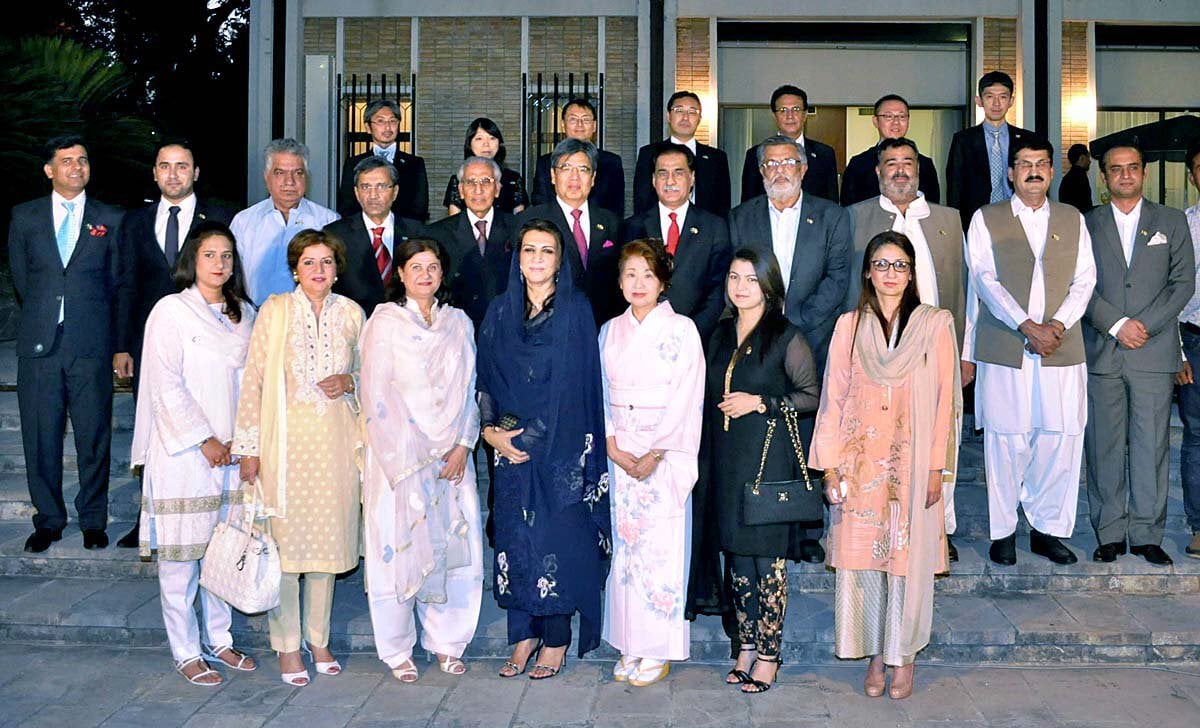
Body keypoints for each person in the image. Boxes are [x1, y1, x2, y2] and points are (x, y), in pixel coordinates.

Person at [813, 231, 961, 700]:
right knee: (864, 562)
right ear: (868, 272)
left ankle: (904, 656)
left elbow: (945, 403)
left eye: (899, 265)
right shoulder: (849, 326)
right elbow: (832, 396)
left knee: (904, 560)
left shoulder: (934, 324)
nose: (890, 273)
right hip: (859, 465)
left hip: (913, 463)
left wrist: (937, 467)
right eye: (881, 264)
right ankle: (876, 652)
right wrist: (830, 466)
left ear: (912, 273)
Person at [476, 219, 611, 681]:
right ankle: (523, 636)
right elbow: (486, 377)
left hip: (559, 447)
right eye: (528, 250)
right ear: (517, 259)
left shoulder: (576, 310)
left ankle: (555, 639)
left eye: (546, 251)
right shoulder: (499, 310)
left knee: (555, 542)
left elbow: (575, 387)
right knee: (515, 543)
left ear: (560, 259)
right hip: (507, 449)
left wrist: (527, 440)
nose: (536, 259)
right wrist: (491, 431)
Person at [232, 229, 364, 687]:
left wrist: (350, 382)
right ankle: (288, 645)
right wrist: (248, 449)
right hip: (283, 447)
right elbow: (254, 379)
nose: (319, 270)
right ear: (295, 269)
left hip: (337, 447)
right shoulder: (275, 310)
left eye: (327, 261)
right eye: (309, 262)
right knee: (286, 552)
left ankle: (319, 638)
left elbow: (371, 375)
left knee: (326, 548)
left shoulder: (351, 313)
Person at [132, 221, 258, 686]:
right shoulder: (170, 311)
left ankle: (220, 640)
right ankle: (185, 649)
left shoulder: (245, 312)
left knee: (223, 552)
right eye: (210, 255)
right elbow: (164, 384)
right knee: (183, 559)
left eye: (227, 255)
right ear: (193, 259)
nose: (219, 263)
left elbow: (256, 384)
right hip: (184, 454)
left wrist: (245, 442)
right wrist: (204, 438)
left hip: (234, 451)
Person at [692, 247, 820, 694]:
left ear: (768, 285)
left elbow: (811, 395)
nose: (740, 286)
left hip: (769, 461)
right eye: (733, 277)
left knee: (768, 564)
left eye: (750, 278)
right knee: (738, 562)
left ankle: (769, 654)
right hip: (726, 459)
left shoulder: (786, 335)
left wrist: (761, 403)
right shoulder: (721, 333)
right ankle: (744, 644)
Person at [964, 137, 1096, 566]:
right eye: (1024, 164)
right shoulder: (986, 219)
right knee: (1007, 438)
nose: (1033, 171)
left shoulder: (1073, 218)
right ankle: (1003, 531)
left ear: (1053, 171)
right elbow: (984, 279)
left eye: (1041, 164)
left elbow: (1086, 280)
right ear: (1010, 172)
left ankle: (1047, 530)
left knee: (1060, 438)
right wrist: (1026, 325)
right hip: (1007, 344)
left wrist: (1056, 326)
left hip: (1062, 345)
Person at [360, 237, 483, 683]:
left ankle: (447, 642)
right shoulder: (384, 323)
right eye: (416, 267)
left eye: (433, 267)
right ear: (401, 274)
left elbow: (471, 388)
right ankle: (396, 648)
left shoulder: (459, 323)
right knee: (398, 549)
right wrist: (409, 455)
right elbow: (374, 397)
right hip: (399, 459)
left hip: (451, 456)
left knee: (453, 549)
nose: (425, 275)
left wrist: (463, 444)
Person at [730, 135, 851, 563]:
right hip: (755, 345)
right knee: (764, 435)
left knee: (803, 435)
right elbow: (738, 278)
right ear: (761, 172)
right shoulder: (741, 217)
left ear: (802, 169)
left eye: (788, 163)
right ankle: (763, 519)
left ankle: (802, 530)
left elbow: (838, 279)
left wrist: (789, 329)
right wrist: (764, 329)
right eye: (771, 165)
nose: (780, 171)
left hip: (809, 340)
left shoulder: (831, 217)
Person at [9, 134, 133, 553]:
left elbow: (118, 284)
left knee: (93, 435)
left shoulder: (110, 218)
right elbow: (24, 279)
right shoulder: (24, 217)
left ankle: (93, 519)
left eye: (82, 160)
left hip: (91, 345)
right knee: (40, 436)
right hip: (41, 345)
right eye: (66, 161)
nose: (76, 167)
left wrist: (118, 345)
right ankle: (48, 520)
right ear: (49, 169)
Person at [846, 137, 968, 561]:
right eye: (891, 163)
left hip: (934, 352)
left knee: (939, 437)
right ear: (878, 171)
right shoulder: (855, 218)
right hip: (875, 356)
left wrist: (964, 353)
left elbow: (965, 290)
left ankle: (937, 529)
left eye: (908, 162)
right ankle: (879, 527)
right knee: (882, 445)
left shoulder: (949, 220)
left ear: (919, 170)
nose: (900, 170)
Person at [117, 139, 235, 550]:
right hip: (151, 346)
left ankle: (214, 515)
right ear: (154, 173)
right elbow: (126, 284)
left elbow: (232, 277)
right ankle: (147, 516)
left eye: (181, 166)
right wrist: (122, 346)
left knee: (206, 424)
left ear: (195, 172)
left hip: (206, 344)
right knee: (154, 429)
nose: (173, 174)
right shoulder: (134, 222)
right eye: (164, 166)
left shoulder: (221, 216)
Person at [1083, 145, 1195, 566]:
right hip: (1104, 350)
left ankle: (1148, 534)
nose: (1125, 176)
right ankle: (1109, 532)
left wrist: (1143, 325)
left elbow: (1182, 281)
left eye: (1132, 168)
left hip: (1152, 348)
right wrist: (1115, 324)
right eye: (1116, 170)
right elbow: (1078, 285)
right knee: (1104, 446)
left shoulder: (1171, 221)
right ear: (1104, 177)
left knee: (1151, 446)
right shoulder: (1086, 223)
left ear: (1143, 173)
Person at [600, 240, 704, 688]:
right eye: (629, 275)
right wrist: (611, 445)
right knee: (625, 553)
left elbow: (687, 397)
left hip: (662, 452)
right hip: (621, 450)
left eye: (647, 274)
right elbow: (599, 392)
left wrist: (658, 452)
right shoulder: (609, 331)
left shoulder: (682, 330)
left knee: (660, 550)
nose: (638, 284)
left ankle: (658, 647)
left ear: (662, 280)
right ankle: (629, 642)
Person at [622, 143, 733, 339]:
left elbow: (717, 289)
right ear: (654, 180)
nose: (670, 180)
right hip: (642, 336)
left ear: (692, 178)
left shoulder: (714, 227)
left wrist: (691, 333)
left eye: (678, 173)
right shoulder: (632, 226)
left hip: (697, 338)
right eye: (663, 173)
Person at [517, 138, 624, 326]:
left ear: (593, 178)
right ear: (552, 175)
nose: (574, 177)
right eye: (566, 168)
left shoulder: (612, 222)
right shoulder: (530, 221)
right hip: (548, 326)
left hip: (603, 326)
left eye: (583, 169)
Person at [231, 138, 338, 305]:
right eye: (280, 173)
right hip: (256, 321)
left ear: (306, 177)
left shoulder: (328, 221)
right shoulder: (244, 222)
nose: (290, 181)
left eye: (298, 173)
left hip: (311, 321)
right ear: (267, 177)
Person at [325, 156, 424, 316]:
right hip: (355, 324)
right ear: (356, 193)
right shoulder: (335, 234)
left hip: (407, 325)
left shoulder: (417, 233)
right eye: (365, 187)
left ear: (395, 192)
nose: (373, 195)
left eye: (381, 186)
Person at [428, 156, 518, 332]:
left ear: (497, 189)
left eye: (486, 181)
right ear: (461, 190)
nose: (478, 190)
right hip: (455, 331)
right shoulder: (437, 234)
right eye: (470, 182)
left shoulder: (517, 228)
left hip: (506, 328)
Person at [946, 71, 1034, 231]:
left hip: (1019, 219)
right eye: (989, 97)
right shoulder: (963, 140)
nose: (996, 104)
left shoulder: (1027, 139)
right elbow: (955, 187)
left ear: (1011, 101)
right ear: (979, 101)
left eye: (1003, 97)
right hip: (976, 220)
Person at [633, 91, 731, 217]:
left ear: (699, 118)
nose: (685, 117)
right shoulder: (648, 153)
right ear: (668, 116)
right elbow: (642, 199)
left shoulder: (716, 158)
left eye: (692, 112)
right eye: (679, 110)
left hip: (705, 231)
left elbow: (723, 205)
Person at [740, 85, 838, 203]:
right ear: (774, 116)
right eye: (783, 110)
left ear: (805, 114)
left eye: (796, 109)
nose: (790, 116)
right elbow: (748, 203)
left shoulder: (824, 154)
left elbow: (832, 202)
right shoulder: (755, 154)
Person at [337, 99, 429, 222]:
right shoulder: (353, 163)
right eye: (380, 121)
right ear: (368, 127)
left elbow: (419, 208)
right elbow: (347, 206)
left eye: (392, 121)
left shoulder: (415, 164)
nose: (387, 127)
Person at [531, 97, 626, 217]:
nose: (579, 125)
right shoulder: (546, 162)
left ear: (594, 126)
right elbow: (541, 202)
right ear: (563, 125)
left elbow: (616, 207)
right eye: (573, 119)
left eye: (585, 120)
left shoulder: (612, 162)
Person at [841, 95, 941, 207]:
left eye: (902, 116)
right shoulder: (859, 163)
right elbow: (849, 208)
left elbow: (933, 207)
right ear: (875, 121)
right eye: (888, 116)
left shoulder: (924, 164)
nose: (896, 122)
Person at [1178, 138, 1200, 559]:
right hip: (1195, 338)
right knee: (1197, 435)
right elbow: (1173, 291)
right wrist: (1176, 350)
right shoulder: (1184, 224)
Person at [442, 117, 528, 216]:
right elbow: (454, 221)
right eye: (479, 138)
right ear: (469, 143)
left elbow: (519, 220)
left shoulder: (513, 179)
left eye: (492, 138)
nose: (486, 144)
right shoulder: (458, 179)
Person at [1059, 143, 1094, 214]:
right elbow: (1085, 206)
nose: (1090, 161)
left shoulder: (1068, 177)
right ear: (1082, 158)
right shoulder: (1080, 176)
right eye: (1088, 157)